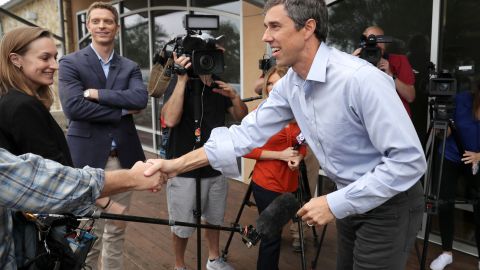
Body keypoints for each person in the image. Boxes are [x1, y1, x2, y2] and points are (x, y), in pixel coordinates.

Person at [145, 0, 427, 269]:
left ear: (308, 28)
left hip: (390, 203)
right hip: (351, 197)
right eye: (266, 27)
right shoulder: (290, 85)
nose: (266, 36)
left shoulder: (361, 79)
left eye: (275, 26)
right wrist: (173, 165)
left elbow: (409, 162)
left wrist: (333, 201)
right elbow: (243, 135)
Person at [58, 2, 148, 269]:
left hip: (121, 158)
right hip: (85, 157)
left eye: (107, 21)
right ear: (88, 26)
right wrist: (121, 110)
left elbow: (140, 99)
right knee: (88, 231)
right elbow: (73, 107)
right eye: (95, 21)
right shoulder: (71, 62)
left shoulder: (129, 66)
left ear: (116, 27)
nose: (101, 26)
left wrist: (97, 94)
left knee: (117, 228)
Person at [0, 148, 165, 270]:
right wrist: (131, 180)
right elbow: (42, 180)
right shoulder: (22, 107)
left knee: (111, 238)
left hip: (106, 173)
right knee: (86, 247)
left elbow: (137, 101)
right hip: (65, 202)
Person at [161, 41, 248, 270]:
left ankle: (213, 259)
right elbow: (169, 120)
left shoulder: (219, 86)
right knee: (182, 223)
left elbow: (241, 116)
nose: (208, 62)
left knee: (214, 217)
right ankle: (180, 266)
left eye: (213, 56)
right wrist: (180, 81)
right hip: (184, 168)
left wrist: (235, 96)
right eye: (205, 56)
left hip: (216, 165)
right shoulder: (180, 82)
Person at [243, 65, 306, 269]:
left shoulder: (300, 112)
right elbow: (245, 148)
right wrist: (279, 155)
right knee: (271, 237)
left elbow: (302, 144)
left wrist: (299, 157)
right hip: (266, 183)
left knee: (274, 232)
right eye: (268, 83)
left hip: (290, 184)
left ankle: (255, 236)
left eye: (275, 82)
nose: (270, 87)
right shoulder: (261, 114)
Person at [429, 80, 480, 270]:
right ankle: (446, 253)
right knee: (445, 202)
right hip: (450, 155)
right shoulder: (462, 100)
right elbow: (447, 132)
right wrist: (442, 129)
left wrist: (479, 156)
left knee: (479, 205)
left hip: (476, 159)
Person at [353, 26, 416, 117]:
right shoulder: (356, 60)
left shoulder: (399, 61)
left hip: (395, 119)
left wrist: (391, 75)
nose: (376, 44)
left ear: (385, 44)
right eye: (372, 40)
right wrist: (351, 62)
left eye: (380, 39)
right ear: (364, 43)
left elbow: (410, 97)